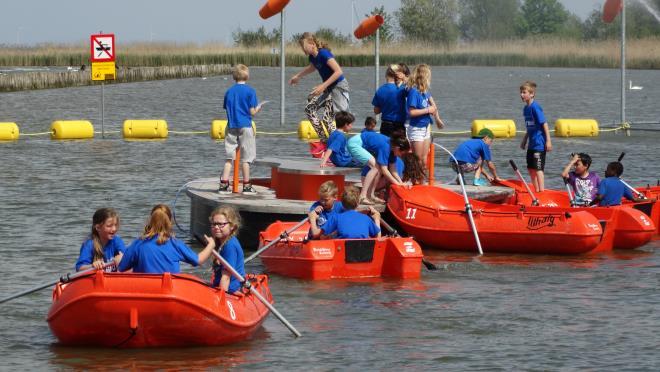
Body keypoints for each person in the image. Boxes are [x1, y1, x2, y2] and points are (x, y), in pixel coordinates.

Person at [118, 204, 216, 274]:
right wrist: (211, 245)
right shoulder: (175, 243)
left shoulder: (138, 243)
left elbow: (122, 268)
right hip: (168, 291)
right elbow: (198, 260)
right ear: (170, 222)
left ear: (150, 221)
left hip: (145, 290)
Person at [289, 32, 349, 143]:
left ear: (312, 44)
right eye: (301, 47)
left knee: (327, 120)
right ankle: (325, 140)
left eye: (304, 46)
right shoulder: (312, 57)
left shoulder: (324, 54)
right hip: (328, 88)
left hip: (338, 87)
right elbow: (312, 68)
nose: (302, 49)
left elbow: (338, 72)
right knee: (309, 109)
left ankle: (336, 143)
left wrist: (323, 86)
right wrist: (298, 76)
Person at [219, 64, 263, 195]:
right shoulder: (250, 91)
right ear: (247, 76)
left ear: (234, 77)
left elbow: (227, 108)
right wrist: (258, 108)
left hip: (231, 126)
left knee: (229, 158)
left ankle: (224, 185)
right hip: (245, 126)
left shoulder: (229, 92)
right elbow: (252, 112)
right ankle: (247, 186)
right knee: (246, 158)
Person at [406, 64, 445, 173]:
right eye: (429, 76)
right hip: (416, 128)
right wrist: (428, 110)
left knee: (424, 159)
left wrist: (437, 119)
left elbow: (434, 106)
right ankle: (415, 181)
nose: (430, 78)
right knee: (417, 159)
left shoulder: (425, 91)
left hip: (426, 127)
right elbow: (411, 112)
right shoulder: (414, 92)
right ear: (423, 76)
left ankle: (422, 181)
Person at [310, 185, 381, 239]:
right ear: (358, 203)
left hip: (341, 254)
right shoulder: (366, 218)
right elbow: (378, 238)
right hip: (362, 255)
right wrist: (377, 219)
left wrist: (312, 218)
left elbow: (315, 234)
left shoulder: (336, 218)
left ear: (341, 202)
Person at [519, 80, 552, 192]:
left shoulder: (535, 107)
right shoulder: (525, 109)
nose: (521, 95)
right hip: (531, 144)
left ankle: (542, 191)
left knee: (538, 168)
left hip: (539, 143)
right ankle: (536, 190)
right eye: (521, 92)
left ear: (531, 94)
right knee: (530, 168)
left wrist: (548, 141)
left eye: (524, 92)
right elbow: (530, 126)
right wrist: (524, 139)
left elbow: (544, 124)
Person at [360, 132, 409, 205]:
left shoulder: (393, 151)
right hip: (357, 144)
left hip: (368, 152)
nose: (401, 156)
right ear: (397, 148)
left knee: (378, 169)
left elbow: (393, 170)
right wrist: (397, 183)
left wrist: (400, 183)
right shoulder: (386, 147)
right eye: (402, 153)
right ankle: (363, 196)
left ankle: (370, 195)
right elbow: (384, 171)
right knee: (377, 168)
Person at [208, 206, 245, 294]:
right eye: (214, 224)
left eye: (221, 224)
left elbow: (226, 277)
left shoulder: (230, 246)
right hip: (219, 286)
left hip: (230, 290)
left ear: (232, 226)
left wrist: (220, 300)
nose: (216, 227)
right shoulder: (220, 242)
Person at [372, 64, 408, 138]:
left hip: (385, 125)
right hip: (399, 125)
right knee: (399, 148)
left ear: (386, 74)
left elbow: (376, 111)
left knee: (387, 147)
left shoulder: (380, 90)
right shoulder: (402, 89)